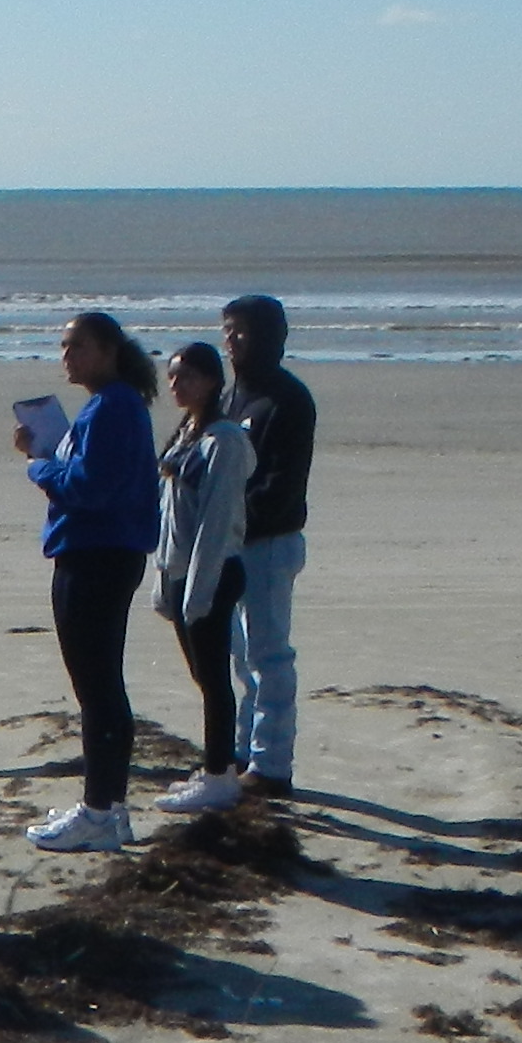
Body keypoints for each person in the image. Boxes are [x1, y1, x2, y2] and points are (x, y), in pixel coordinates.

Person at [14, 309, 161, 851]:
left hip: (97, 554)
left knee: (96, 687)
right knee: (100, 685)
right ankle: (108, 804)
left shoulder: (115, 406)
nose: (66, 356)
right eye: (63, 346)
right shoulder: (105, 406)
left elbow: (88, 486)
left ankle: (101, 809)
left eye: (76, 346)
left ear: (106, 350)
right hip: (98, 551)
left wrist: (39, 464)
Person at [215, 291, 320, 798]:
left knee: (269, 656)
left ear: (272, 337)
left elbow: (279, 485)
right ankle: (244, 752)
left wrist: (236, 519)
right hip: (231, 546)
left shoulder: (288, 400)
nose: (233, 341)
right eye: (227, 330)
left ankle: (272, 764)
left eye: (243, 331)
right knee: (240, 659)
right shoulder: (231, 399)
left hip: (269, 545)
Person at [147, 340, 257, 812]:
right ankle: (216, 765)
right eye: (172, 376)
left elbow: (217, 523)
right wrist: (163, 579)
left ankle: (219, 776)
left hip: (210, 574)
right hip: (178, 571)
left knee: (214, 677)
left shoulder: (225, 441)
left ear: (212, 381)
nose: (177, 384)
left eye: (187, 376)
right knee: (201, 674)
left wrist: (198, 590)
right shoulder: (186, 432)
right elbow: (169, 508)